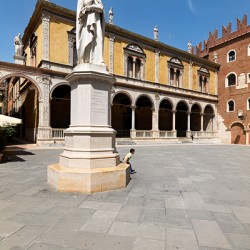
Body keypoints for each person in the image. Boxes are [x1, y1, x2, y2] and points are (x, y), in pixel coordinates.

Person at [76, 0, 105, 65]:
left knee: (98, 40)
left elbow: (101, 8)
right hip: (86, 22)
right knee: (87, 39)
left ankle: (98, 60)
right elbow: (83, 5)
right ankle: (86, 59)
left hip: (96, 22)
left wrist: (91, 7)